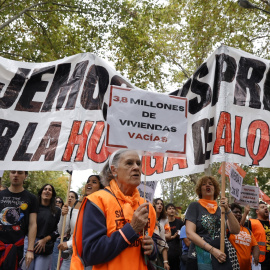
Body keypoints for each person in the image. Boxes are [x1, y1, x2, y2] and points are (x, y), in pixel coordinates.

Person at [70, 149, 157, 270]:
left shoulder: (147, 207)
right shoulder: (96, 201)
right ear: (114, 170)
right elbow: (91, 253)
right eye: (129, 163)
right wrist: (131, 230)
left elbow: (152, 248)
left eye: (138, 163)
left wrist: (152, 249)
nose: (136, 167)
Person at [185, 175, 240, 270]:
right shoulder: (194, 206)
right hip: (200, 256)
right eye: (204, 184)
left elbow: (236, 230)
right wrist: (212, 250)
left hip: (221, 256)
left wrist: (227, 209)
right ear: (200, 189)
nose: (207, 186)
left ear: (215, 189)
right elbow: (189, 233)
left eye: (210, 184)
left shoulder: (221, 209)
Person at [57, 175, 104, 270]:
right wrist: (63, 215)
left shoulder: (101, 207)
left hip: (87, 258)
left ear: (101, 187)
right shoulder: (75, 205)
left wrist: (70, 243)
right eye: (88, 181)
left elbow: (91, 234)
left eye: (94, 182)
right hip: (70, 255)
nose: (89, 183)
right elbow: (62, 231)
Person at [0, 170, 38, 270]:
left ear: (25, 176)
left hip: (18, 248)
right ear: (9, 174)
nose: (16, 175)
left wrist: (30, 249)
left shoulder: (32, 198)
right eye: (13, 172)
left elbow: (32, 224)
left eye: (20, 172)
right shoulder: (0, 195)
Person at [22, 184, 61, 270]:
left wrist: (45, 240)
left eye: (50, 190)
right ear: (41, 192)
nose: (47, 191)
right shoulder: (32, 208)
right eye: (45, 189)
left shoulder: (57, 211)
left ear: (52, 194)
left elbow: (58, 231)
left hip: (44, 247)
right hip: (29, 243)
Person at [228, 203, 259, 270]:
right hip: (232, 267)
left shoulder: (247, 230)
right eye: (236, 212)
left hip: (247, 267)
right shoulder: (228, 228)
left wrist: (256, 256)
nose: (239, 214)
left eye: (240, 212)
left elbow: (255, 245)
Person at [245, 201, 270, 270]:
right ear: (257, 211)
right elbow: (239, 228)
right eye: (262, 207)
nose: (265, 208)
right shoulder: (251, 222)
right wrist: (245, 213)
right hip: (260, 261)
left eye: (266, 207)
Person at [153, 198, 170, 270]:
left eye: (161, 204)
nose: (159, 205)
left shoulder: (164, 221)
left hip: (158, 253)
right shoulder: (145, 220)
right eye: (157, 203)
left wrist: (165, 262)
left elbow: (168, 235)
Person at [166, 203, 184, 270]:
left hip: (177, 253)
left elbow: (184, 236)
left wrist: (180, 236)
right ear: (166, 211)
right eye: (169, 208)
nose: (172, 210)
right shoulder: (164, 223)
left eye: (173, 208)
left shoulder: (180, 223)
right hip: (166, 253)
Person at [51, 197, 64, 270]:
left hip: (61, 239)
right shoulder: (50, 212)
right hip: (51, 239)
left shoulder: (64, 213)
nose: (58, 203)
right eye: (56, 201)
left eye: (60, 201)